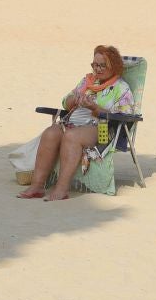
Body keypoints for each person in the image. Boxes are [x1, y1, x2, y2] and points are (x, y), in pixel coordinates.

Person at [18, 45, 136, 202]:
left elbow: (124, 115)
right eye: (95, 64)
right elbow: (65, 102)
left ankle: (62, 188)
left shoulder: (121, 88)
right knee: (50, 133)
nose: (97, 69)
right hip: (74, 121)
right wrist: (74, 99)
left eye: (102, 65)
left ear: (113, 66)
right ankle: (37, 186)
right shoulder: (87, 81)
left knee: (72, 137)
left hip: (101, 127)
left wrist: (95, 107)